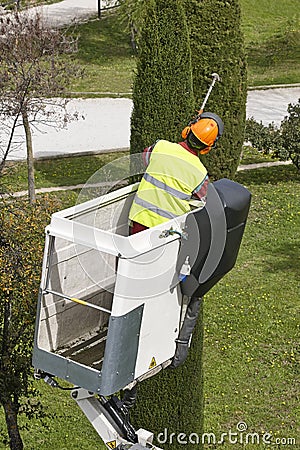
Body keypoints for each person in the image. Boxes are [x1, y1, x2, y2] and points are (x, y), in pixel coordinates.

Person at [128, 112, 224, 234]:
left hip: (140, 219)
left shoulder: (161, 146)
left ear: (187, 131)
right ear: (207, 148)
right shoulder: (201, 174)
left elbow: (145, 158)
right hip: (169, 230)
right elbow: (199, 199)